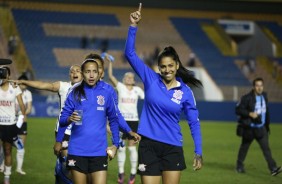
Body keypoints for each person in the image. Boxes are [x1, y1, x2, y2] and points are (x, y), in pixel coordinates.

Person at [124, 4, 203, 184]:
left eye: (170, 66)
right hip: (148, 146)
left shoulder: (185, 92)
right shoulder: (151, 79)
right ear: (158, 68)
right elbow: (129, 54)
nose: (167, 70)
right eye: (163, 66)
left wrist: (198, 151)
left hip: (172, 147)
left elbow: (194, 123)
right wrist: (133, 26)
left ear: (176, 66)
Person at [11, 65, 82, 183]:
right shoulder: (63, 86)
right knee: (70, 164)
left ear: (82, 74)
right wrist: (24, 81)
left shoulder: (89, 90)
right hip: (64, 130)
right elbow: (44, 85)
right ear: (69, 75)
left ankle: (59, 171)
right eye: (72, 71)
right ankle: (61, 171)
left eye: (77, 71)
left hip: (80, 132)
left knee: (79, 165)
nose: (74, 72)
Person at [59, 58, 119, 184]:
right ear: (82, 73)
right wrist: (69, 119)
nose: (91, 75)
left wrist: (115, 145)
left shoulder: (106, 93)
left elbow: (113, 120)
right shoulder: (74, 93)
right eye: (87, 72)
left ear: (99, 73)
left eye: (94, 72)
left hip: (99, 152)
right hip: (77, 151)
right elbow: (62, 120)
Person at [106, 53, 144, 184]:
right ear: (123, 79)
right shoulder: (120, 87)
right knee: (121, 147)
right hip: (121, 120)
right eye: (126, 76)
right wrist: (110, 63)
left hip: (133, 121)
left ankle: (133, 173)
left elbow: (148, 97)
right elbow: (110, 76)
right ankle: (121, 173)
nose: (128, 78)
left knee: (132, 147)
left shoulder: (138, 90)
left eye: (131, 77)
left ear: (134, 80)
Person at [235, 77, 281, 176]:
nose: (259, 88)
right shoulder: (247, 98)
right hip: (250, 128)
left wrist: (266, 126)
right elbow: (238, 110)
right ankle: (239, 166)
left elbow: (266, 112)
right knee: (244, 148)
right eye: (257, 86)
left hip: (261, 128)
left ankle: (273, 168)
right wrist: (249, 114)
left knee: (266, 149)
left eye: (261, 85)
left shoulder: (264, 96)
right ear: (253, 87)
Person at [0, 66, 26, 184]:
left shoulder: (15, 88)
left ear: (8, 76)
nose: (2, 76)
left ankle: (7, 178)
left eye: (4, 74)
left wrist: (21, 118)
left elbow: (21, 105)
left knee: (7, 150)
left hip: (9, 125)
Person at [15, 74, 33, 175]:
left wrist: (21, 114)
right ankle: (2, 165)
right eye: (21, 82)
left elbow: (29, 108)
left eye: (24, 82)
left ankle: (19, 168)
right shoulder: (13, 91)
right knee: (6, 144)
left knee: (21, 145)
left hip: (22, 121)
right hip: (12, 120)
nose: (23, 84)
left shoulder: (28, 93)